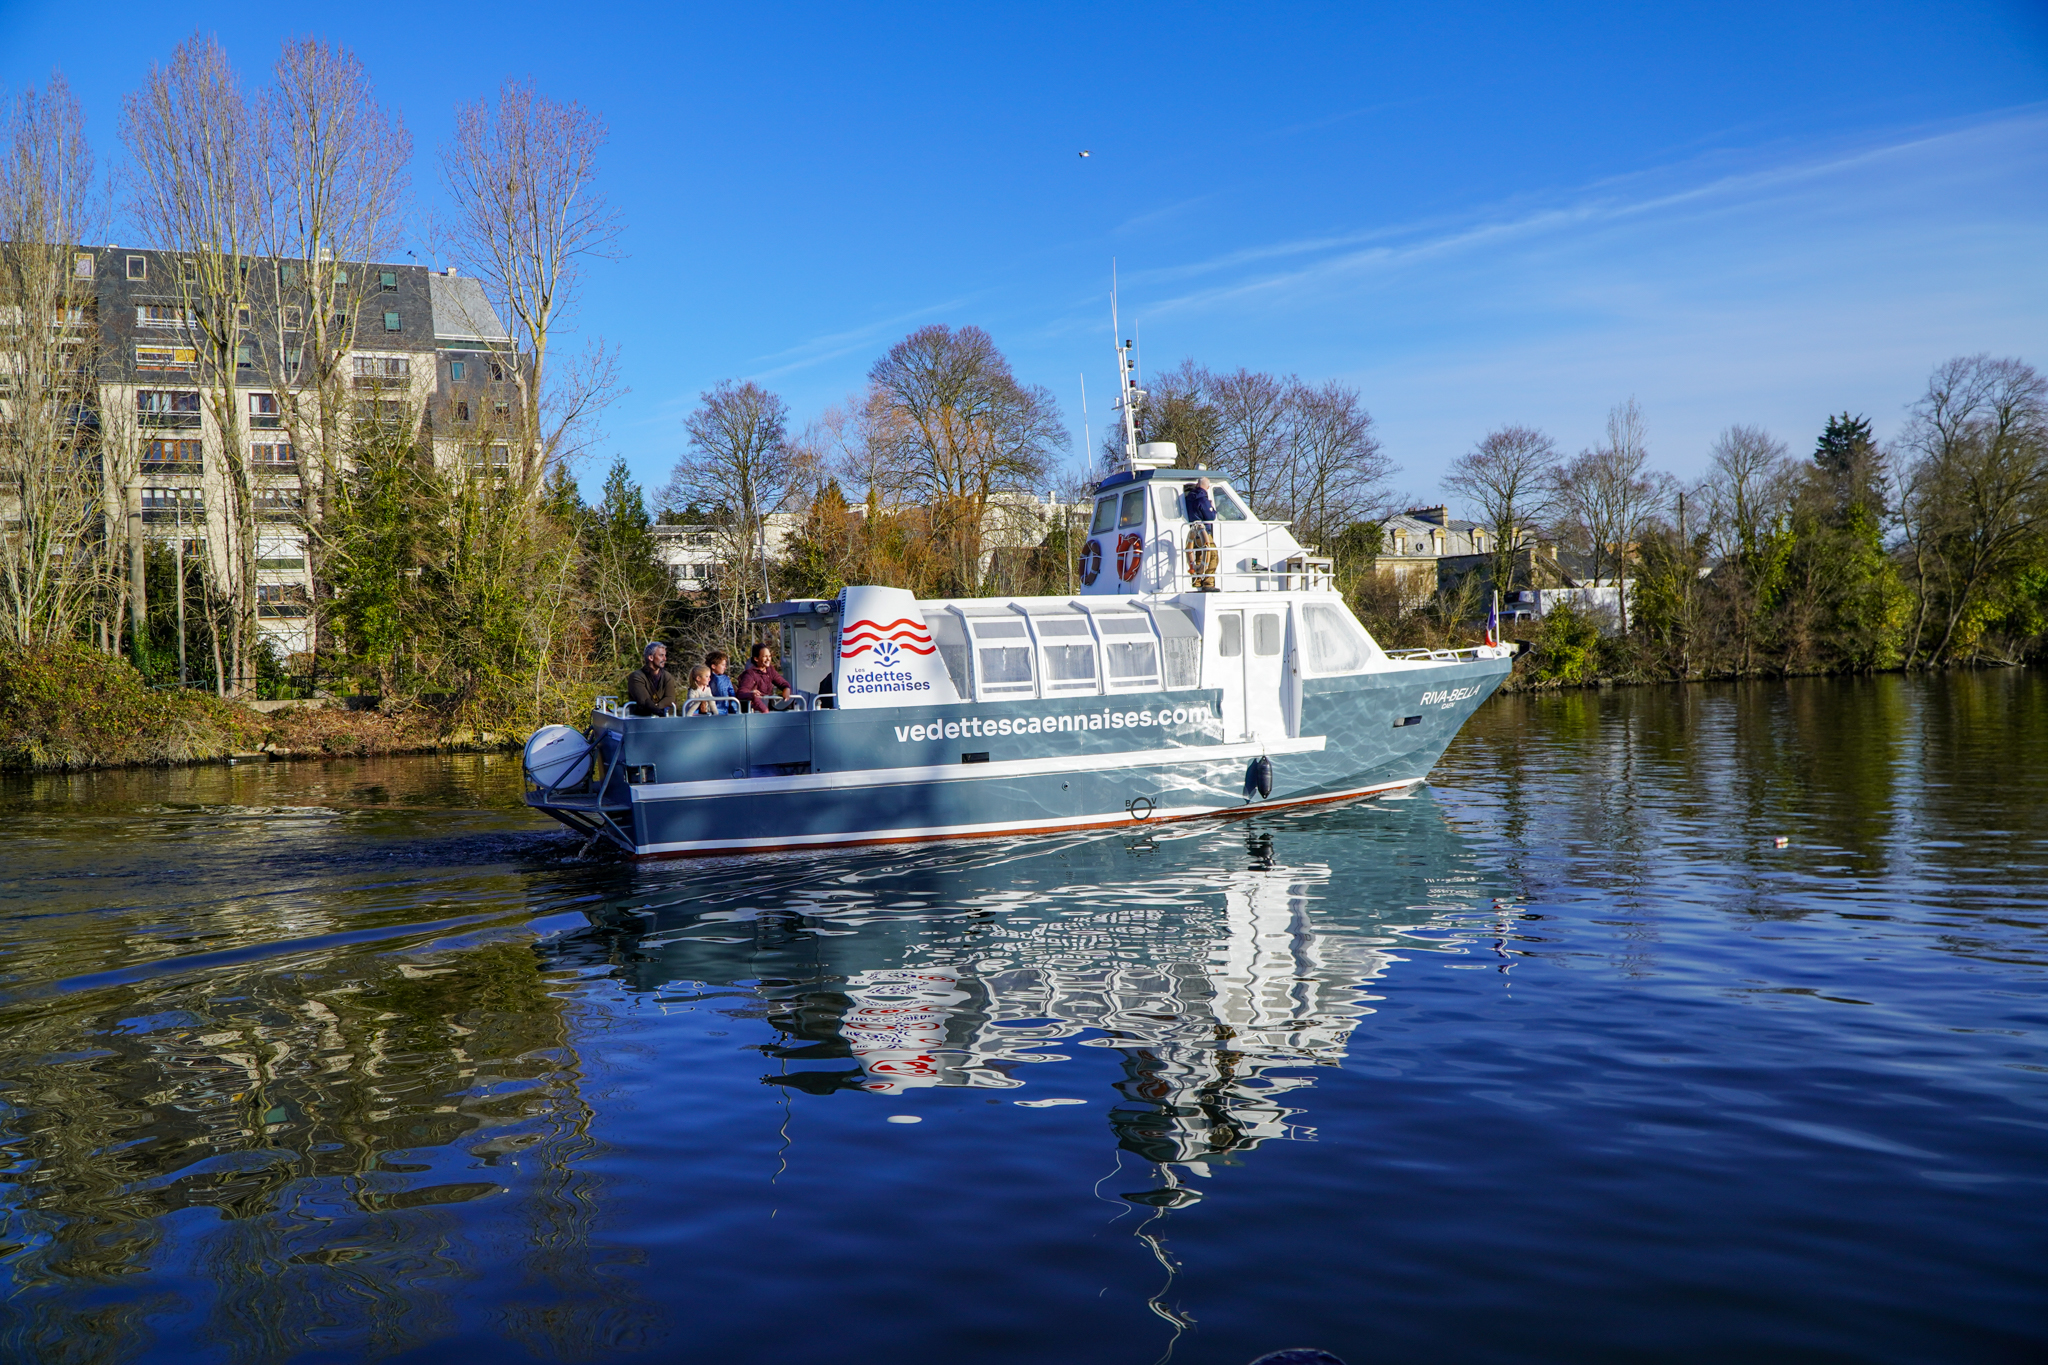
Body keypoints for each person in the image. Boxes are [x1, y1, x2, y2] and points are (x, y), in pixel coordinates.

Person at [735, 642, 793, 712]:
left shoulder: (769, 670)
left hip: (767, 710)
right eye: (765, 656)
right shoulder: (750, 674)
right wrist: (751, 694)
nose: (768, 659)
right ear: (756, 658)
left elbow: (780, 681)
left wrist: (786, 688)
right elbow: (741, 693)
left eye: (769, 656)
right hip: (754, 712)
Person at [1184, 477, 1219, 591]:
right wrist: (1212, 508)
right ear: (1207, 487)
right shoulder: (1202, 499)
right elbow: (1210, 517)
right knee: (1212, 556)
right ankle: (1208, 583)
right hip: (1204, 533)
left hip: (1193, 533)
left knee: (1199, 557)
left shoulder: (1189, 498)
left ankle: (1197, 582)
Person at [625, 641, 678, 716]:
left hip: (662, 718)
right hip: (640, 718)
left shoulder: (667, 676)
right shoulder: (636, 676)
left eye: (665, 655)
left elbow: (670, 698)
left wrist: (657, 708)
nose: (665, 658)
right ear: (651, 657)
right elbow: (644, 701)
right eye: (661, 655)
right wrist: (658, 711)